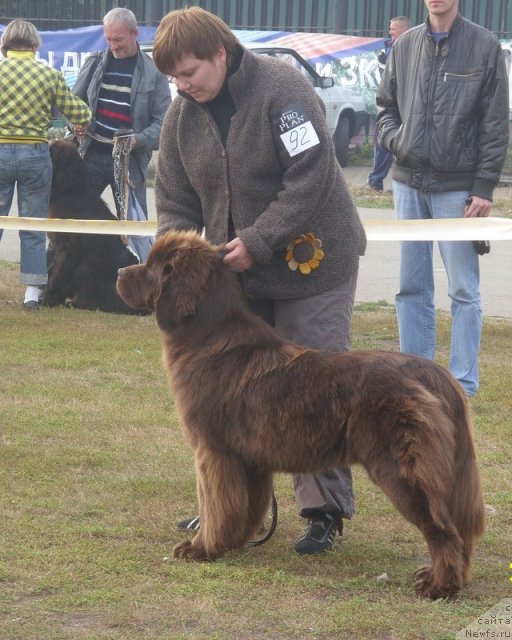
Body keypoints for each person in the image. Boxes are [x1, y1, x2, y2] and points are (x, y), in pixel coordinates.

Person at [151, 7, 367, 554]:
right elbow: (174, 202)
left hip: (312, 265)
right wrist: (179, 268)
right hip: (238, 276)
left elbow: (311, 174)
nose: (183, 85)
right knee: (238, 397)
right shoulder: (181, 118)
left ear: (220, 54)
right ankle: (226, 513)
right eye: (174, 78)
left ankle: (323, 510)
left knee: (313, 387)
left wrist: (262, 238)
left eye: (190, 72)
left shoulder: (282, 89)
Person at [376, 0, 509, 396]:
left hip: (457, 187)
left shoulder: (484, 46)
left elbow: (496, 121)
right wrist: (396, 141)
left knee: (464, 290)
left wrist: (483, 186)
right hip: (407, 184)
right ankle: (415, 381)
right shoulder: (404, 46)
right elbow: (385, 107)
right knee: (410, 287)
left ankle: (462, 386)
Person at [0, 19, 91, 311]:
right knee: (34, 224)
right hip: (36, 156)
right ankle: (30, 293)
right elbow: (79, 111)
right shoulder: (48, 74)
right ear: (35, 46)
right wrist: (80, 121)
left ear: (5, 46)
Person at [70, 8, 171, 218]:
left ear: (135, 34)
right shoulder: (95, 62)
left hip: (129, 163)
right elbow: (74, 104)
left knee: (134, 231)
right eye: (108, 39)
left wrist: (138, 140)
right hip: (91, 155)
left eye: (118, 39)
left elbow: (164, 122)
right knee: (72, 222)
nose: (113, 46)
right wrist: (76, 124)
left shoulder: (155, 73)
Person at [366, 16, 410, 192]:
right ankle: (376, 181)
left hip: (402, 105)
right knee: (384, 140)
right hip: (390, 104)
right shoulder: (392, 48)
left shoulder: (409, 49)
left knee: (396, 143)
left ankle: (390, 183)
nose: (390, 32)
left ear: (403, 30)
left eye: (393, 29)